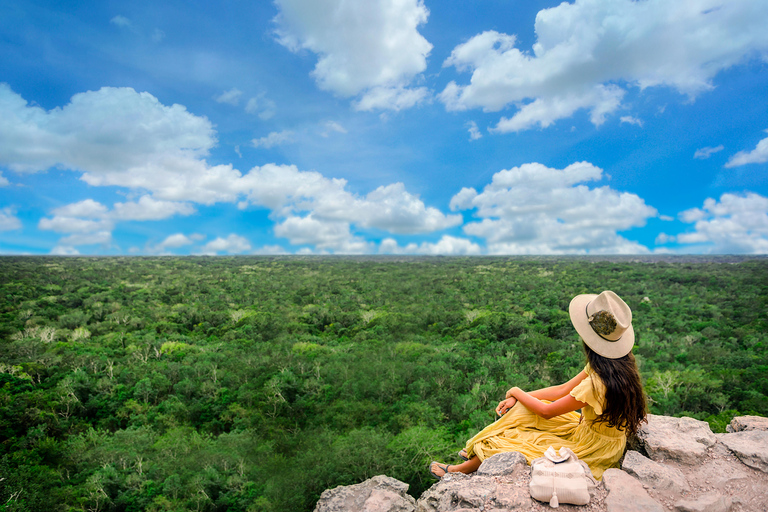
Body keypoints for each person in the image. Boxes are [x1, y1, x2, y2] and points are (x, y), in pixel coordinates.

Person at [430, 290, 647, 481]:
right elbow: (562, 390)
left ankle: (462, 469)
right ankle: (479, 450)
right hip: (592, 432)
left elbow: (546, 412)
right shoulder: (615, 365)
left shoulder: (596, 383)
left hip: (593, 447)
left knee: (516, 440)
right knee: (523, 409)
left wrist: (515, 391)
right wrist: (520, 396)